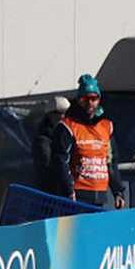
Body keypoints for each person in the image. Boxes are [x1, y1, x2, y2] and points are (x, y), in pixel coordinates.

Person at [52, 74, 126, 209]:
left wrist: (118, 191)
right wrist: (68, 190)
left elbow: (110, 161)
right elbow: (60, 161)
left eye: (94, 99)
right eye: (85, 99)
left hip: (99, 193)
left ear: (99, 100)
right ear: (78, 100)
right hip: (77, 194)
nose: (90, 103)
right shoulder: (68, 126)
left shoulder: (106, 126)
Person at [33, 96, 69, 194]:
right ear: (50, 115)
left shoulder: (65, 133)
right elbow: (47, 168)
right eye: (60, 113)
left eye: (66, 113)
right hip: (54, 191)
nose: (63, 116)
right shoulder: (43, 140)